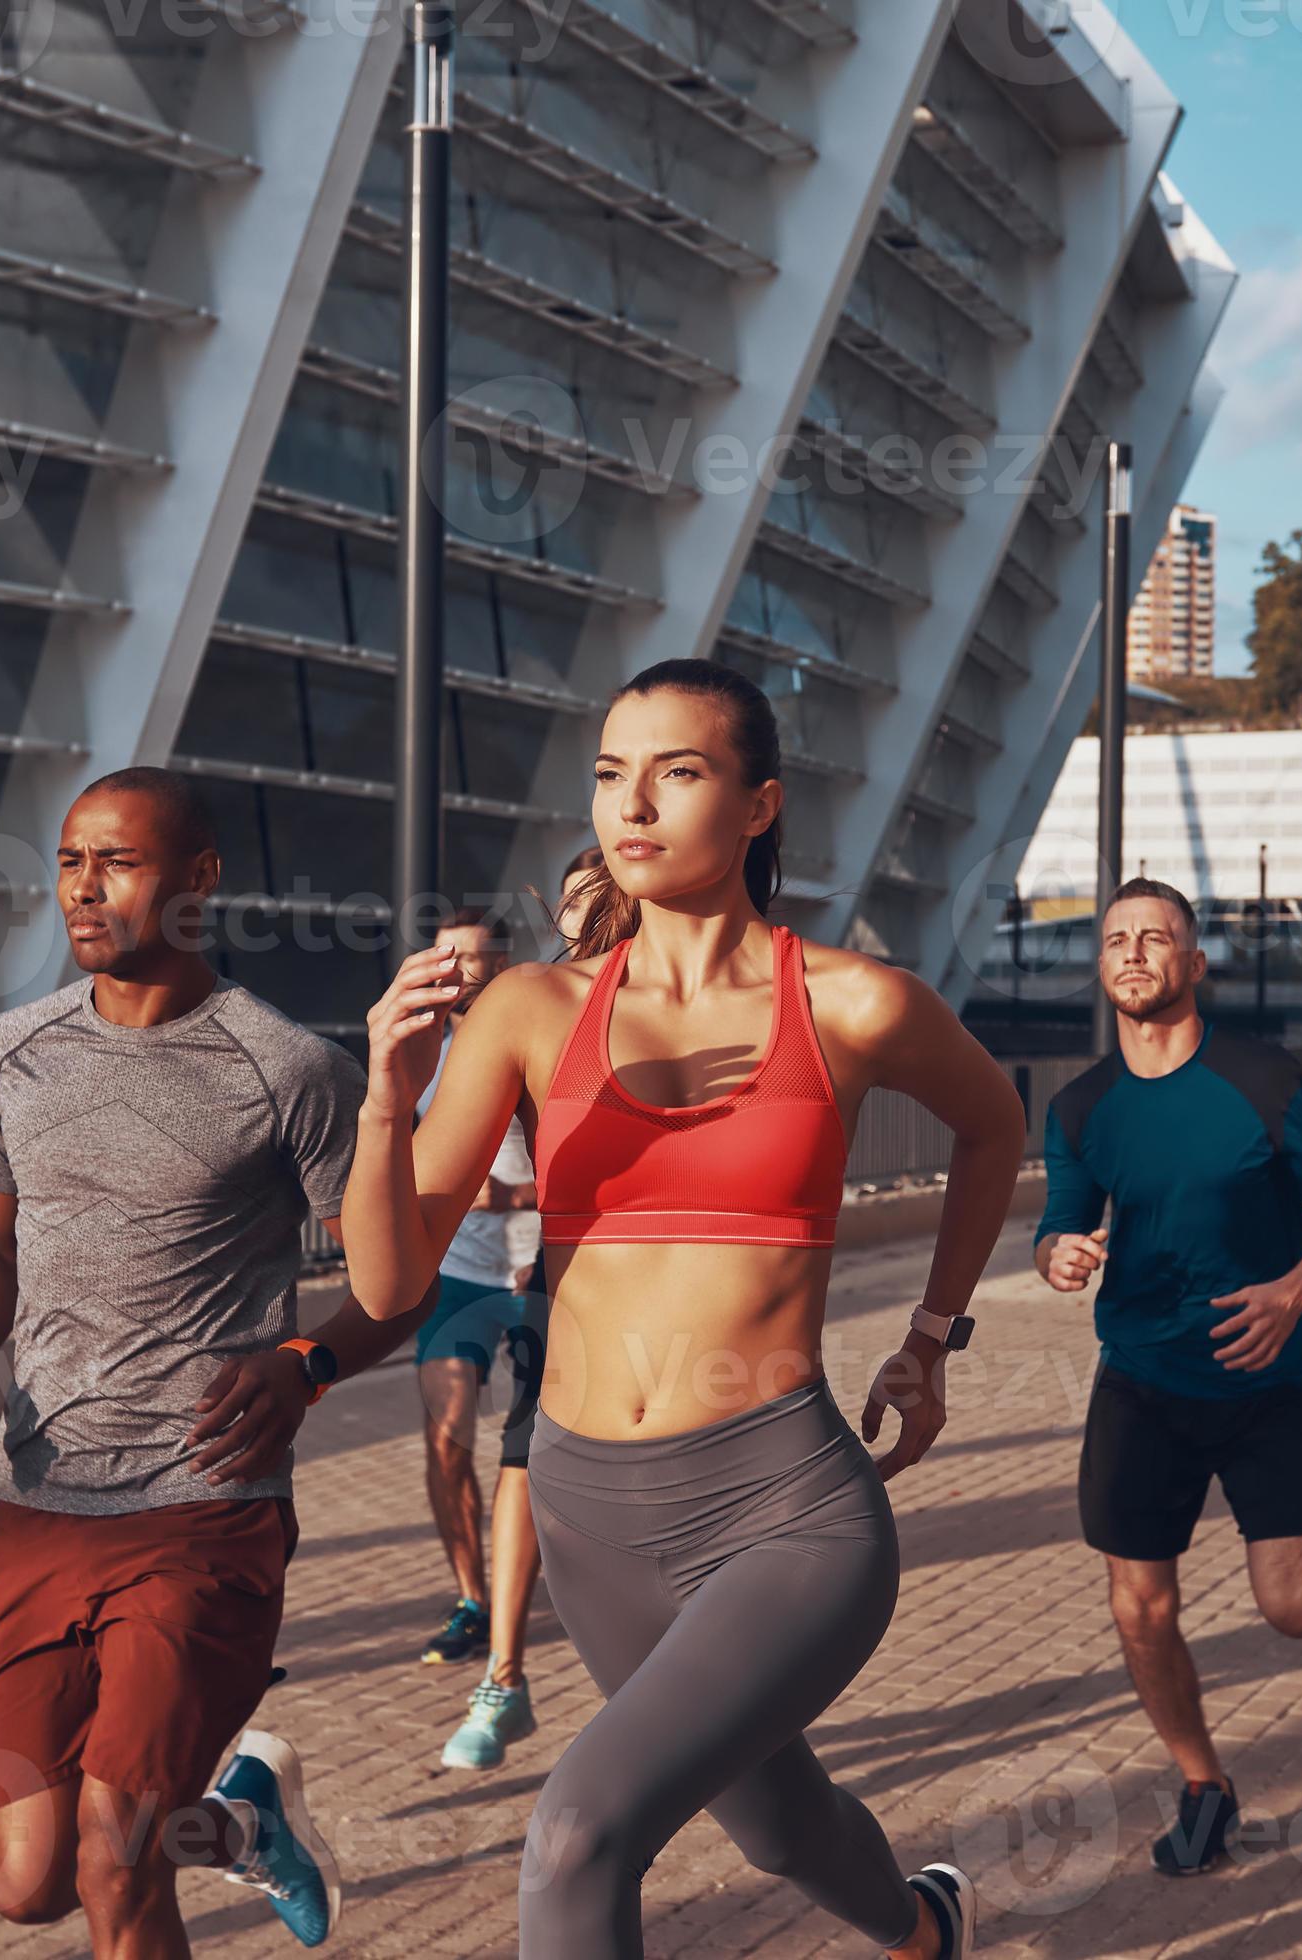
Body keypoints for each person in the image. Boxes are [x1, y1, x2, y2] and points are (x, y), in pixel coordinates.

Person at [345, 660, 1029, 1960]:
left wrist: (933, 1337)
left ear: (759, 804)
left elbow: (994, 1125)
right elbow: (388, 1281)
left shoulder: (850, 1001)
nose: (632, 803)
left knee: (576, 1834)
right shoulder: (530, 1010)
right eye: (611, 774)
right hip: (588, 1508)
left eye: (679, 771)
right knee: (775, 1823)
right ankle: (925, 1927)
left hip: (783, 1508)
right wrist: (388, 1091)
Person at [0, 766, 432, 1956]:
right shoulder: (8, 1052)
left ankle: (194, 1817)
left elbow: (399, 1284)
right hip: (40, 1508)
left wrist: (306, 1363)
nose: (83, 887)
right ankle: (239, 1817)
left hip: (205, 1510)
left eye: (115, 861)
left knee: (116, 1862)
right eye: (71, 860)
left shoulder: (287, 1068)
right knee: (28, 1883)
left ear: (199, 879)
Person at [1034, 877, 1302, 1879]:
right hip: (1138, 1381)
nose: (1133, 953)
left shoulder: (1264, 1081)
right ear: (1102, 967)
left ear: (1192, 962)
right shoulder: (1080, 1104)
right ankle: (1201, 1783)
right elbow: (1060, 1213)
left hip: (1266, 1380)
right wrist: (1054, 1252)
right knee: (1138, 1605)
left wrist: (1295, 1290)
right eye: (1115, 940)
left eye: (1155, 938)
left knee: (1294, 1610)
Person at [441, 844, 596, 1773]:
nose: (584, 912)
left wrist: (935, 1327)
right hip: (560, 1283)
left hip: (695, 1299)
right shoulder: (537, 1002)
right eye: (573, 898)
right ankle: (502, 1676)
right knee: (517, 1460)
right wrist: (393, 1073)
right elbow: (442, 1170)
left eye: (601, 896)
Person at [410, 905, 541, 1671]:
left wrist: (517, 1202)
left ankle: (537, 1580)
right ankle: (471, 1599)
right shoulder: (428, 1051)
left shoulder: (538, 1035)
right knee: (446, 1433)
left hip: (536, 1270)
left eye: (467, 957)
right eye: (441, 956)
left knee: (533, 1454)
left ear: (502, 962)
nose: (453, 970)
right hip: (456, 1273)